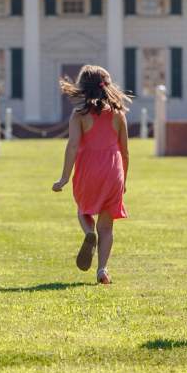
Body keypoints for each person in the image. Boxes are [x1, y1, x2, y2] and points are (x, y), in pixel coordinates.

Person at [52, 65, 130, 284]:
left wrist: (64, 178)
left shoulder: (79, 115)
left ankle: (88, 232)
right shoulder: (118, 114)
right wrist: (124, 180)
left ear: (83, 88)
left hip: (89, 170)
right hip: (114, 171)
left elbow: (72, 147)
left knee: (83, 210)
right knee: (106, 225)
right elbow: (125, 151)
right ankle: (102, 270)